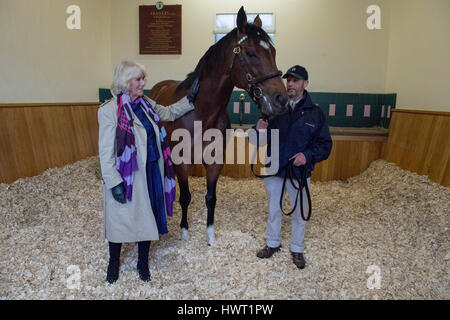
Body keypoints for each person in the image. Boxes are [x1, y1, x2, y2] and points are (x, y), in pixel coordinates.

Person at [98, 61, 198, 283]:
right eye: (138, 79)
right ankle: (113, 264)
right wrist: (113, 182)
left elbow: (170, 112)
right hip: (126, 176)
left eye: (143, 78)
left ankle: (142, 264)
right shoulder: (109, 111)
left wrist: (190, 98)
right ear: (125, 83)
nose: (143, 83)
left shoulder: (146, 103)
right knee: (119, 221)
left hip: (151, 173)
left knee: (146, 218)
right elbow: (105, 153)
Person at [254, 65, 332, 269]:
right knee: (273, 210)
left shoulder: (315, 114)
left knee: (299, 212)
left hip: (299, 172)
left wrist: (307, 156)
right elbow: (258, 141)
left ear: (305, 84)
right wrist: (258, 130)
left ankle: (297, 248)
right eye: (288, 80)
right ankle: (273, 244)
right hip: (274, 169)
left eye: (295, 81)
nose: (290, 84)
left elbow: (325, 145)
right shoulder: (273, 108)